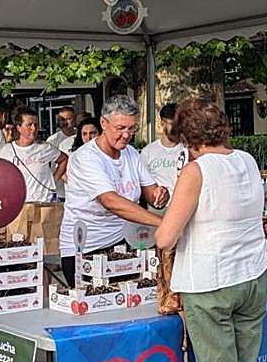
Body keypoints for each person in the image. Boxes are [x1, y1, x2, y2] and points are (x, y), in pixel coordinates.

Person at [155, 99, 267, 362]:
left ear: (187, 137)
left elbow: (165, 237)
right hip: (252, 276)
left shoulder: (196, 170)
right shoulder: (245, 160)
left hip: (211, 283)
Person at [59, 95, 169, 284]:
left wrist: (160, 194)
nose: (126, 135)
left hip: (123, 243)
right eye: (120, 128)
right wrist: (164, 223)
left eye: (131, 128)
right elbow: (110, 201)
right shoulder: (85, 157)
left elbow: (151, 193)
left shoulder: (132, 153)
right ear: (103, 123)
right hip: (84, 249)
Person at [0, 106, 68, 202]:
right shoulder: (7, 151)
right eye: (29, 125)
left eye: (36, 124)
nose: (34, 128)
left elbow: (64, 159)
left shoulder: (44, 147)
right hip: (21, 203)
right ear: (19, 127)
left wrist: (53, 180)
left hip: (45, 202)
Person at [140, 102, 189, 204]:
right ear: (162, 123)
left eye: (180, 125)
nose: (178, 129)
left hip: (183, 205)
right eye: (173, 125)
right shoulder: (148, 152)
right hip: (157, 207)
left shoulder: (188, 149)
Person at [46, 106, 76, 198]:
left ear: (74, 119)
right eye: (62, 119)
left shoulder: (81, 135)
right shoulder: (52, 140)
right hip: (61, 191)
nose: (65, 122)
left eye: (68, 118)